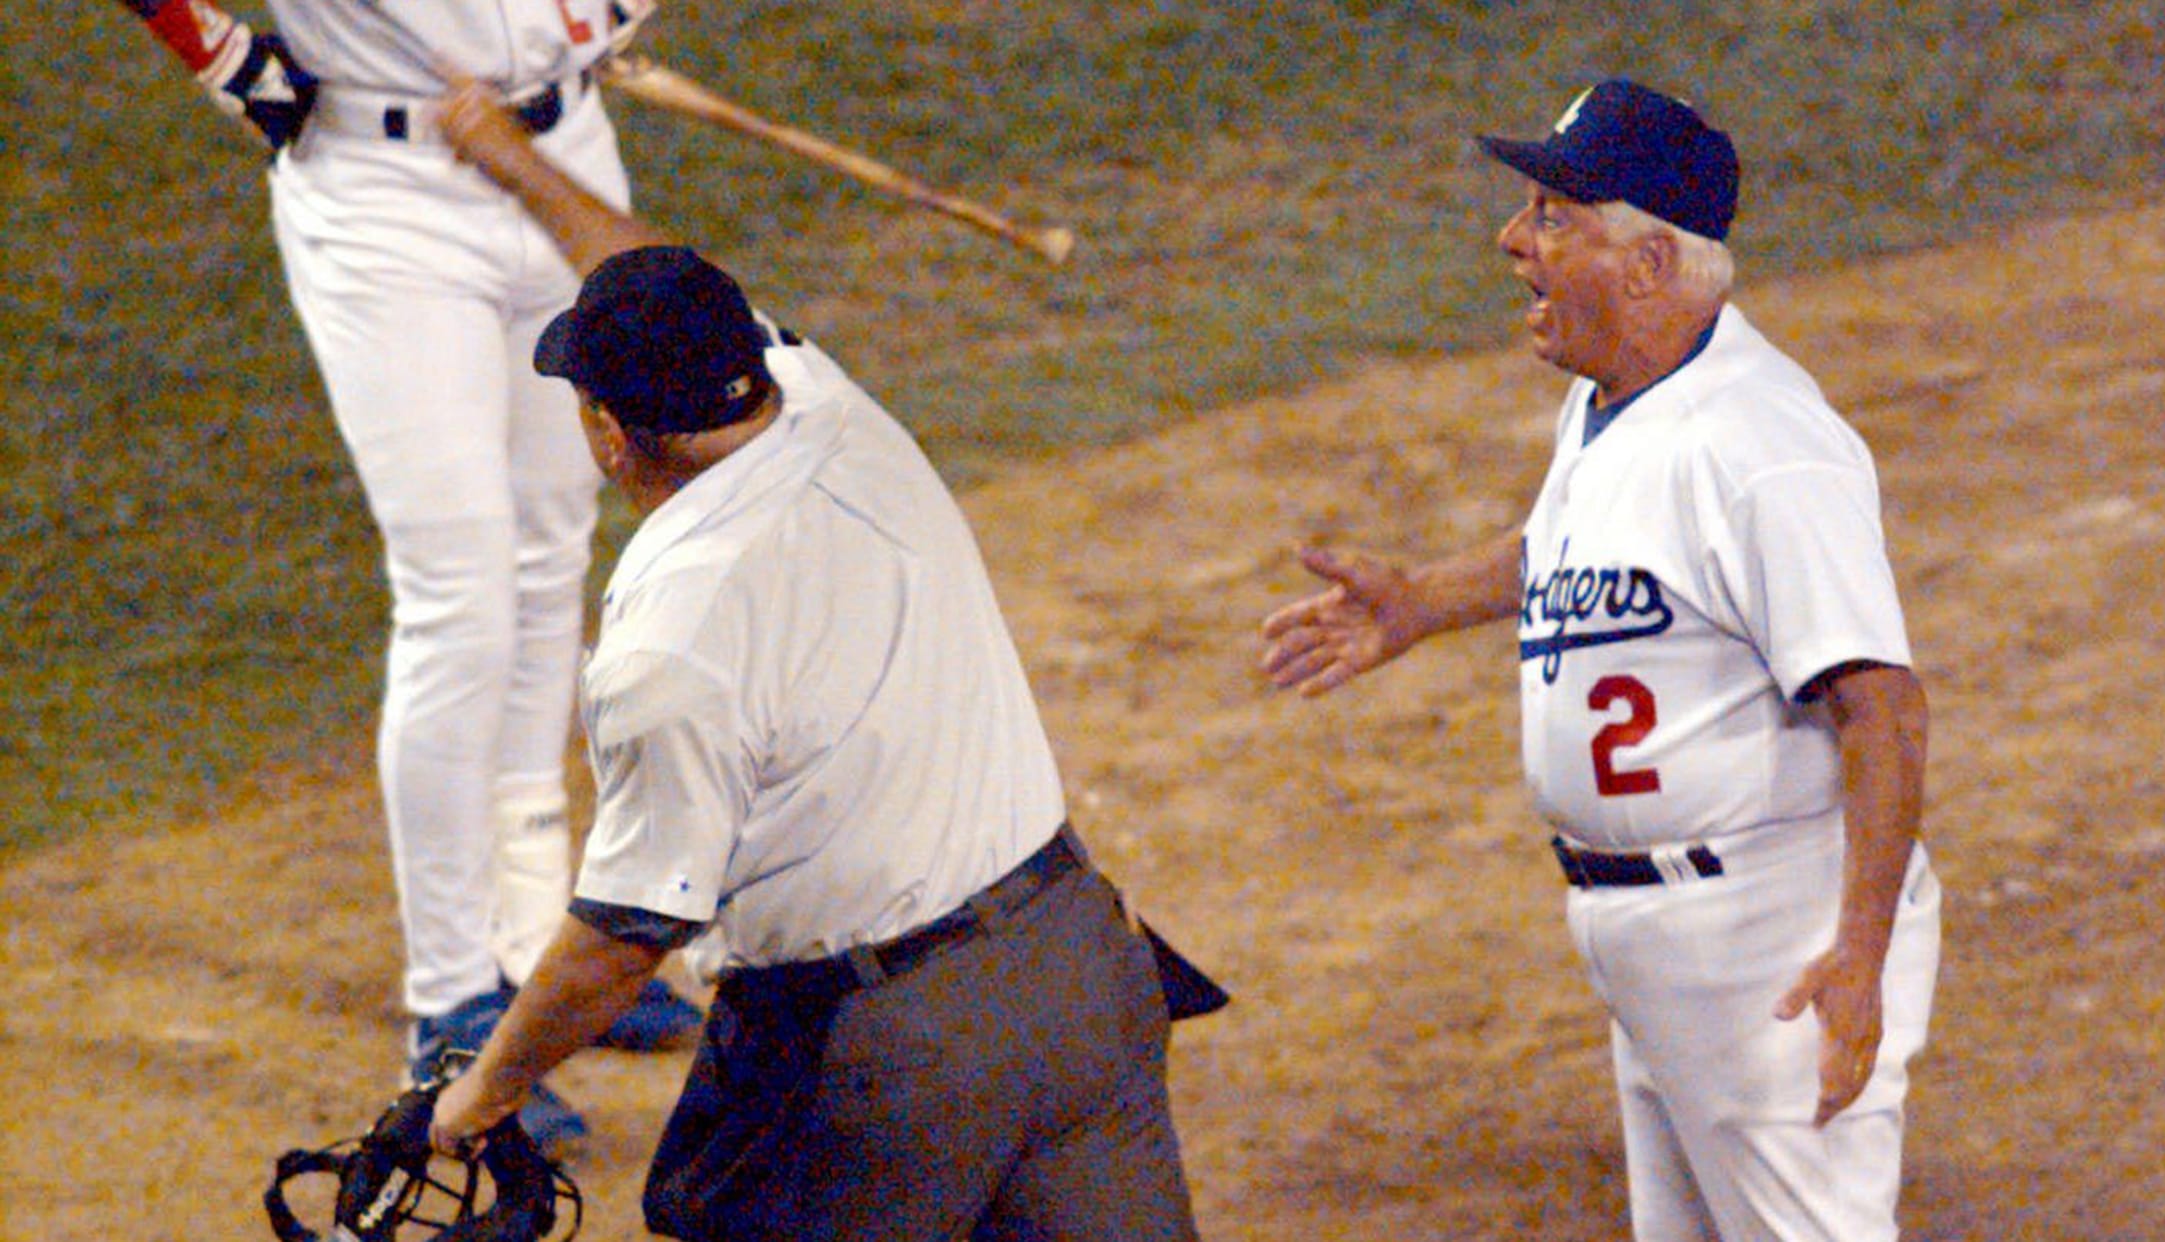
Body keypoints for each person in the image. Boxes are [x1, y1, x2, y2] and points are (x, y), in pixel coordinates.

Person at [421, 76, 1206, 1241]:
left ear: (604, 430)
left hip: (887, 1056)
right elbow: (655, 268)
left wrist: (484, 1089)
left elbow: (625, 937)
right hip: (1081, 971)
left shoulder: (673, 635)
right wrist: (512, 156)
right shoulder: (827, 402)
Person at [1259, 79, 1941, 1241]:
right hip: (1658, 944)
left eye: (1553, 214)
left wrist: (1861, 966)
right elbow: (1576, 548)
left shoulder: (1761, 446)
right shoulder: (1613, 404)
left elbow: (1881, 708)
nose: (1513, 239)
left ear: (1648, 263)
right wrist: (1423, 601)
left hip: (1767, 947)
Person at [111, 0, 702, 1153]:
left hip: (558, 157)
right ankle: (448, 1002)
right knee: (461, 594)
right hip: (384, 197)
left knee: (550, 552)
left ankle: (536, 944)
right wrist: (220, 56)